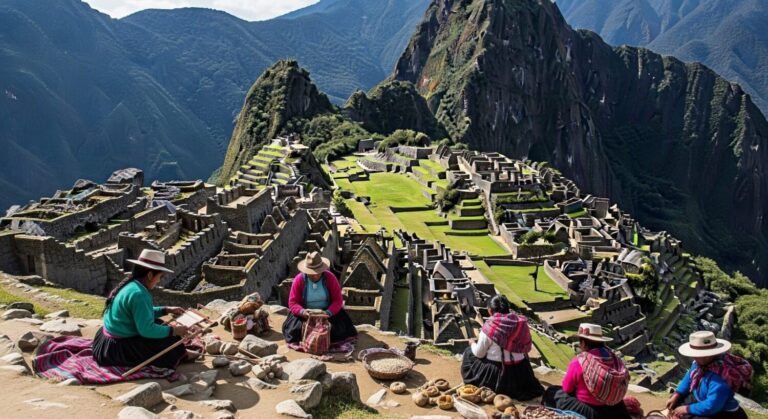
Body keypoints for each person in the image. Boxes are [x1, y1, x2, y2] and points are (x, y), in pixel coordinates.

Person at [92, 249, 194, 369]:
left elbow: (141, 313)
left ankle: (181, 351)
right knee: (170, 337)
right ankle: (182, 354)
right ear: (150, 275)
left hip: (105, 342)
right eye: (159, 276)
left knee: (160, 324)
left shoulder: (130, 285)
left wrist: (165, 310)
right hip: (117, 350)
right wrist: (174, 331)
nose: (159, 281)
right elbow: (146, 330)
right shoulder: (139, 294)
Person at [461, 295, 544, 400]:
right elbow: (527, 348)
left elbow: (479, 353)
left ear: (490, 311)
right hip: (521, 372)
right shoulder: (521, 324)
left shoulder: (490, 327)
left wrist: (472, 343)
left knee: (469, 352)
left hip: (498, 374)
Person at [543, 323, 631, 419]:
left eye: (580, 342)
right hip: (615, 406)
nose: (580, 345)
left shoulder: (579, 362)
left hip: (591, 410)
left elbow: (567, 388)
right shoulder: (615, 359)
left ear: (584, 343)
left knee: (553, 392)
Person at [666, 331, 749, 419]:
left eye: (696, 354)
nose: (694, 357)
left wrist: (686, 409)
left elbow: (711, 406)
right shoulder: (698, 363)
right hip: (700, 398)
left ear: (707, 356)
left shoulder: (721, 378)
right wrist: (677, 394)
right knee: (674, 405)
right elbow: (688, 378)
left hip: (721, 410)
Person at [283, 251, 357, 345]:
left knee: (336, 331)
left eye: (317, 272)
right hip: (306, 313)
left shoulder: (330, 278)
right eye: (311, 273)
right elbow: (293, 302)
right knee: (295, 331)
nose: (314, 275)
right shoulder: (299, 280)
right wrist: (303, 312)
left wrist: (327, 313)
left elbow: (338, 300)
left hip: (327, 312)